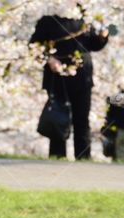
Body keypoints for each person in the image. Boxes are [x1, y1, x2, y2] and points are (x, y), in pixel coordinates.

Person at [30, 13, 110, 160]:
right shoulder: (48, 18)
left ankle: (83, 157)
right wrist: (49, 58)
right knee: (58, 116)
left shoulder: (85, 16)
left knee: (82, 119)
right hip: (57, 77)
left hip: (83, 76)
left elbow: (93, 45)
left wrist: (102, 37)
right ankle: (57, 156)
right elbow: (34, 45)